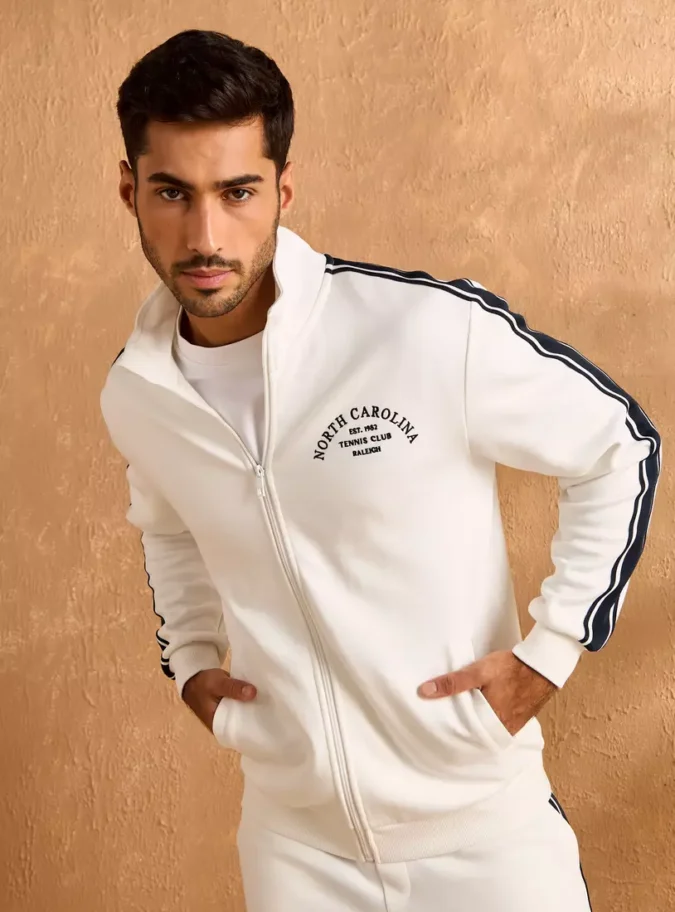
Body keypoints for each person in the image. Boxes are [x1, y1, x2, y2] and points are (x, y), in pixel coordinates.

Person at [100, 28, 661, 912]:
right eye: (172, 192)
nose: (205, 235)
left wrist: (552, 649)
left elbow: (618, 443)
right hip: (295, 850)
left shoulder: (418, 329)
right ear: (130, 190)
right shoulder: (139, 392)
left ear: (282, 189)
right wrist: (193, 666)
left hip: (484, 836)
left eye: (237, 192)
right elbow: (167, 527)